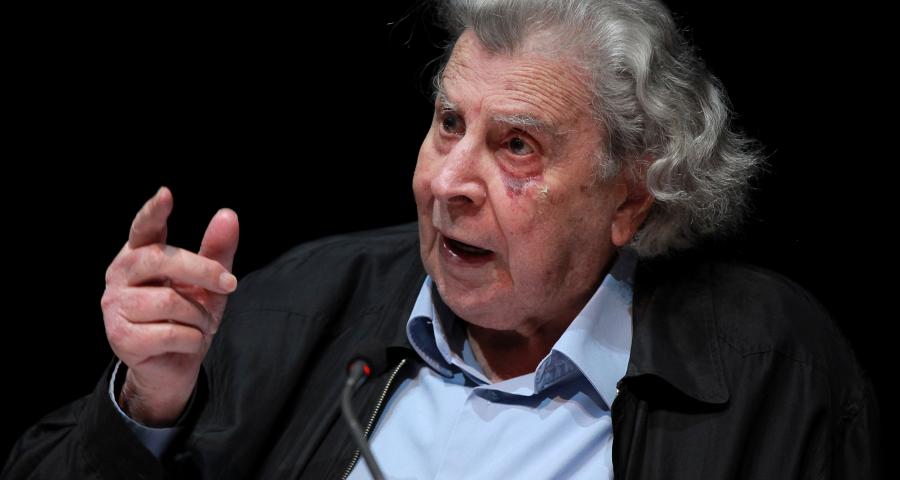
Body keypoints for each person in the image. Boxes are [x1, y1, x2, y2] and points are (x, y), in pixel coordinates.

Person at [3, 0, 881, 478]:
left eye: (516, 145)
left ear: (630, 196)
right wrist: (149, 406)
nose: (446, 182)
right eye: (448, 123)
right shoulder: (297, 304)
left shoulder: (772, 366)